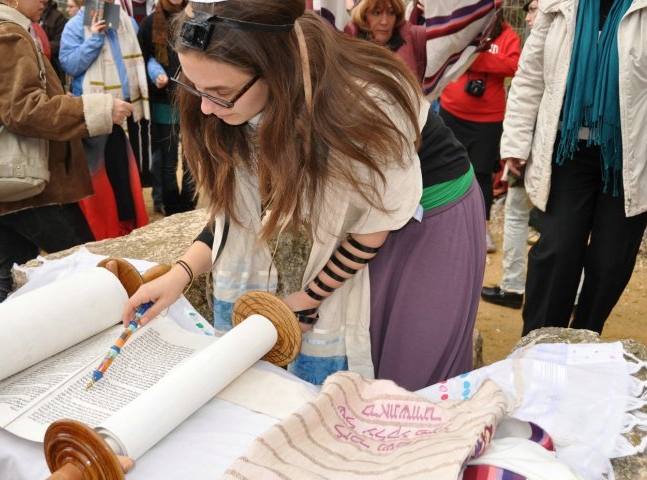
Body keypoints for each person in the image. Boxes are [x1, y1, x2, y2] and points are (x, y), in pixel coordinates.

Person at [124, 0, 486, 391]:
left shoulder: (357, 103)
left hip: (428, 218)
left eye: (219, 93)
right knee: (371, 348)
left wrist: (306, 298)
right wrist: (180, 274)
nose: (206, 108)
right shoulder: (244, 98)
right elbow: (237, 212)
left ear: (273, 71)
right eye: (194, 87)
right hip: (371, 218)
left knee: (409, 373)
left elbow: (371, 228)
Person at [500, 0, 647, 335]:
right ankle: (537, 346)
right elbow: (530, 74)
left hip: (635, 154)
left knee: (610, 260)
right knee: (557, 249)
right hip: (567, 149)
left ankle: (585, 337)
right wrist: (516, 139)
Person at [0, 0, 132, 302]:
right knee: (91, 270)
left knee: (12, 286)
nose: (45, 1)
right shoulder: (4, 34)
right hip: (28, 186)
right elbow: (23, 110)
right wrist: (97, 109)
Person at [60, 0, 151, 240]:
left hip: (125, 110)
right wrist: (94, 39)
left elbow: (141, 59)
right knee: (98, 178)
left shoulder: (127, 22)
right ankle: (102, 232)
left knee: (122, 174)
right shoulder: (74, 26)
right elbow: (69, 64)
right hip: (93, 114)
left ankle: (127, 227)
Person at [439, 12, 521, 253]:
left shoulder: (508, 35)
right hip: (452, 111)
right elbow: (447, 53)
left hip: (488, 119)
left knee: (482, 175)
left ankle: (481, 230)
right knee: (446, 171)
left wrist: (476, 59)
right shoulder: (464, 28)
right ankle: (445, 225)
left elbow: (514, 65)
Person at [480, 1, 539, 309]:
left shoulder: (539, 48)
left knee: (517, 213)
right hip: (535, 149)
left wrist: (518, 150)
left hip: (535, 151)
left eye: (533, 10)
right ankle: (577, 292)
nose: (527, 17)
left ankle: (513, 287)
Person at [138, 0, 197, 217]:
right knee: (168, 159)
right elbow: (141, 60)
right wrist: (155, 77)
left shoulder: (193, 19)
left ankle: (189, 203)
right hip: (163, 102)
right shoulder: (150, 24)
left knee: (192, 158)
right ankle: (171, 205)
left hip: (192, 100)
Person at [346, 0, 426, 81]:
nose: (385, 22)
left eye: (391, 13)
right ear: (363, 15)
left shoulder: (414, 36)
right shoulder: (345, 40)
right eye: (377, 13)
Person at [39, 0, 67, 80]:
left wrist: (40, 46)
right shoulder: (29, 15)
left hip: (53, 68)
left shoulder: (58, 17)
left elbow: (60, 42)